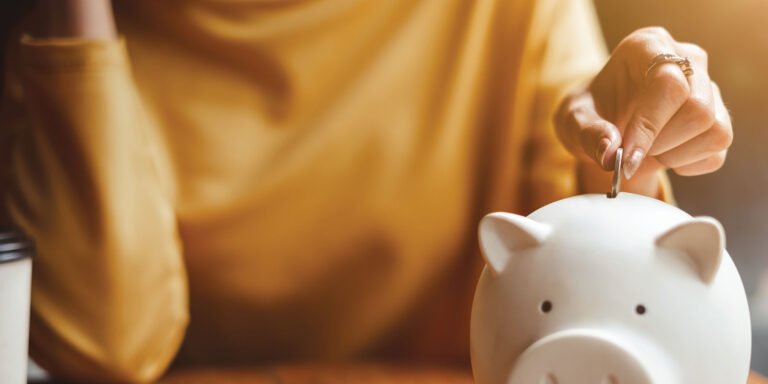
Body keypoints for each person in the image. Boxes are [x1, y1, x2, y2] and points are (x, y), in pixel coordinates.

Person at [0, 0, 732, 382]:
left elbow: (586, 227)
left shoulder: (499, 10)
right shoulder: (63, 43)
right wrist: (74, 25)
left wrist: (634, 155)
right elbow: (104, 346)